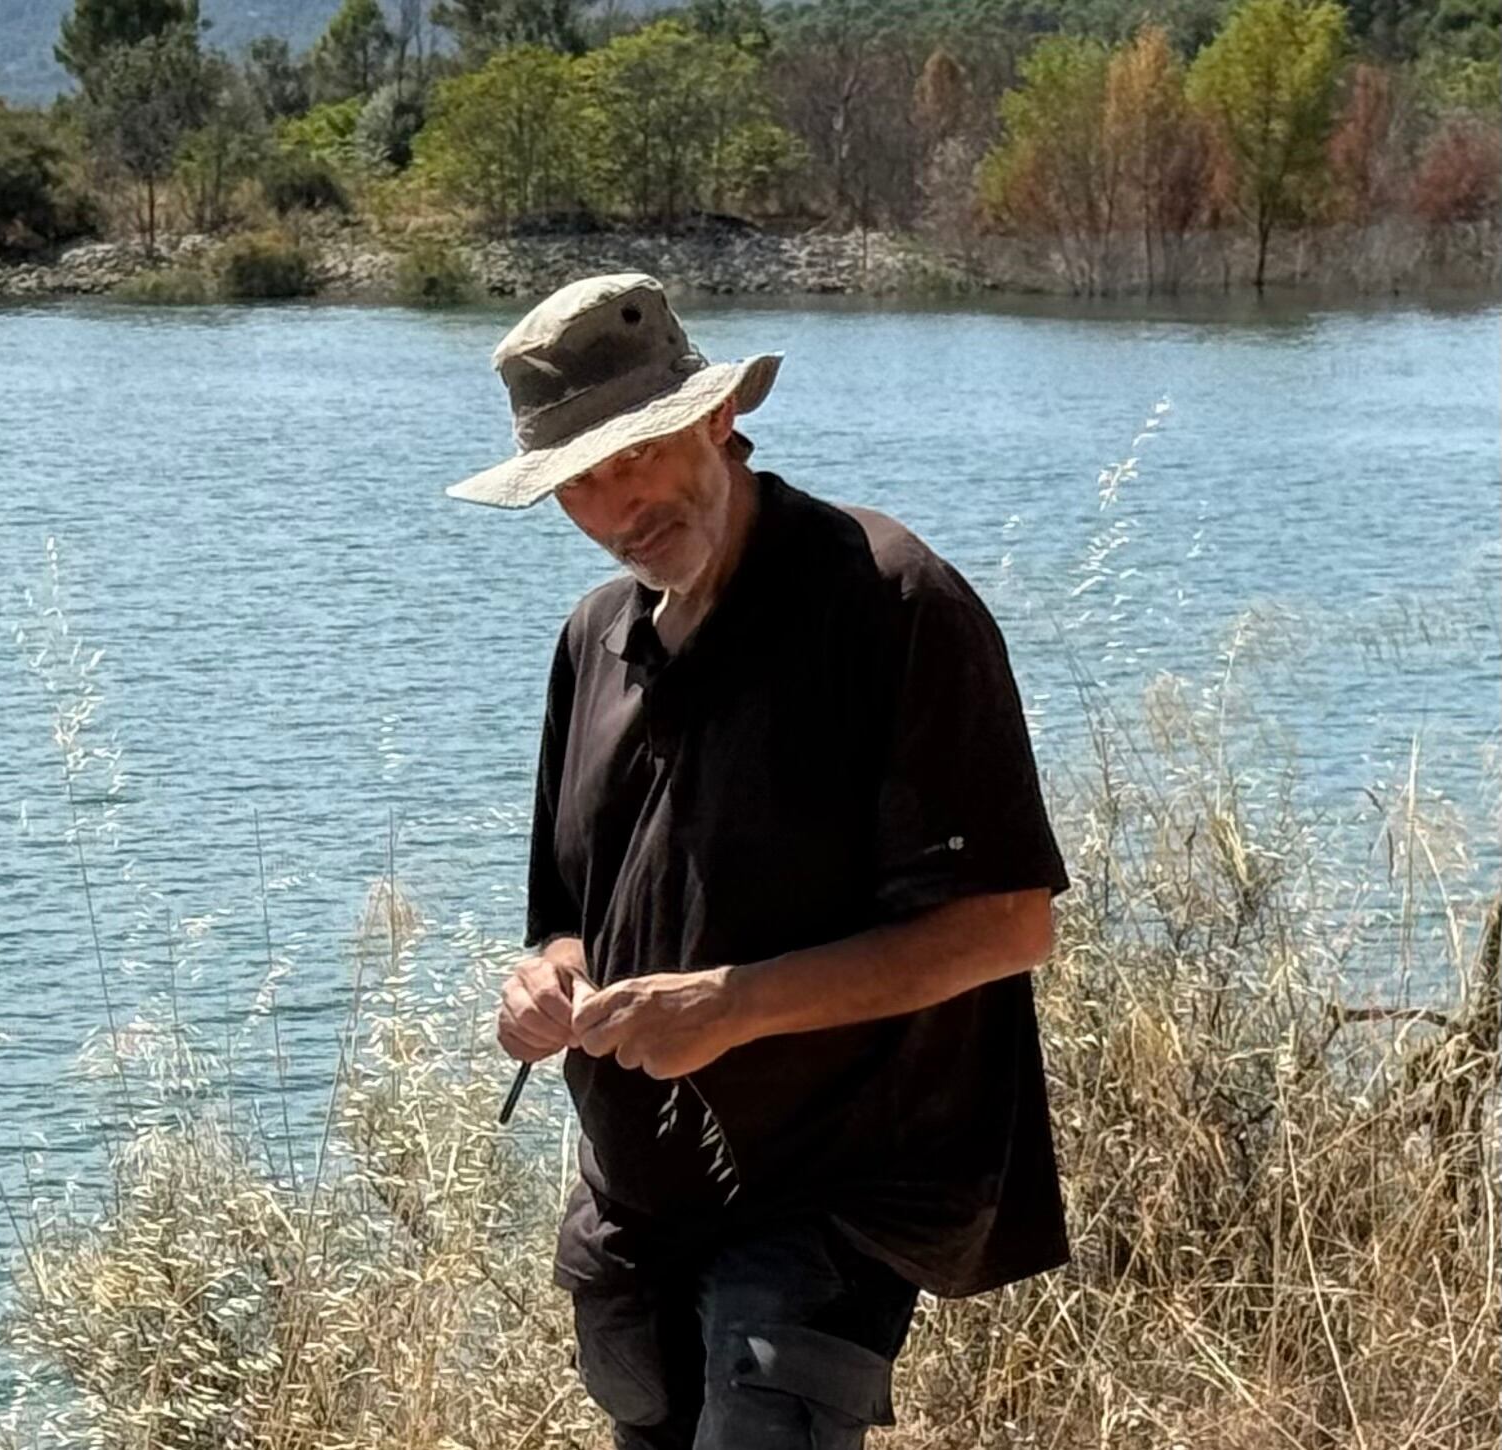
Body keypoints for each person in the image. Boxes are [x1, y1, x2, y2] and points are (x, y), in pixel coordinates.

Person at [447, 273, 1073, 1448]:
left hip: (835, 1190)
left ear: (717, 416)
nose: (620, 502)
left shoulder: (887, 600)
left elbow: (1007, 923)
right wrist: (546, 981)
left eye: (638, 450)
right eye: (580, 481)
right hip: (641, 1199)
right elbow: (572, 914)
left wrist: (734, 1005)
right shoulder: (593, 639)